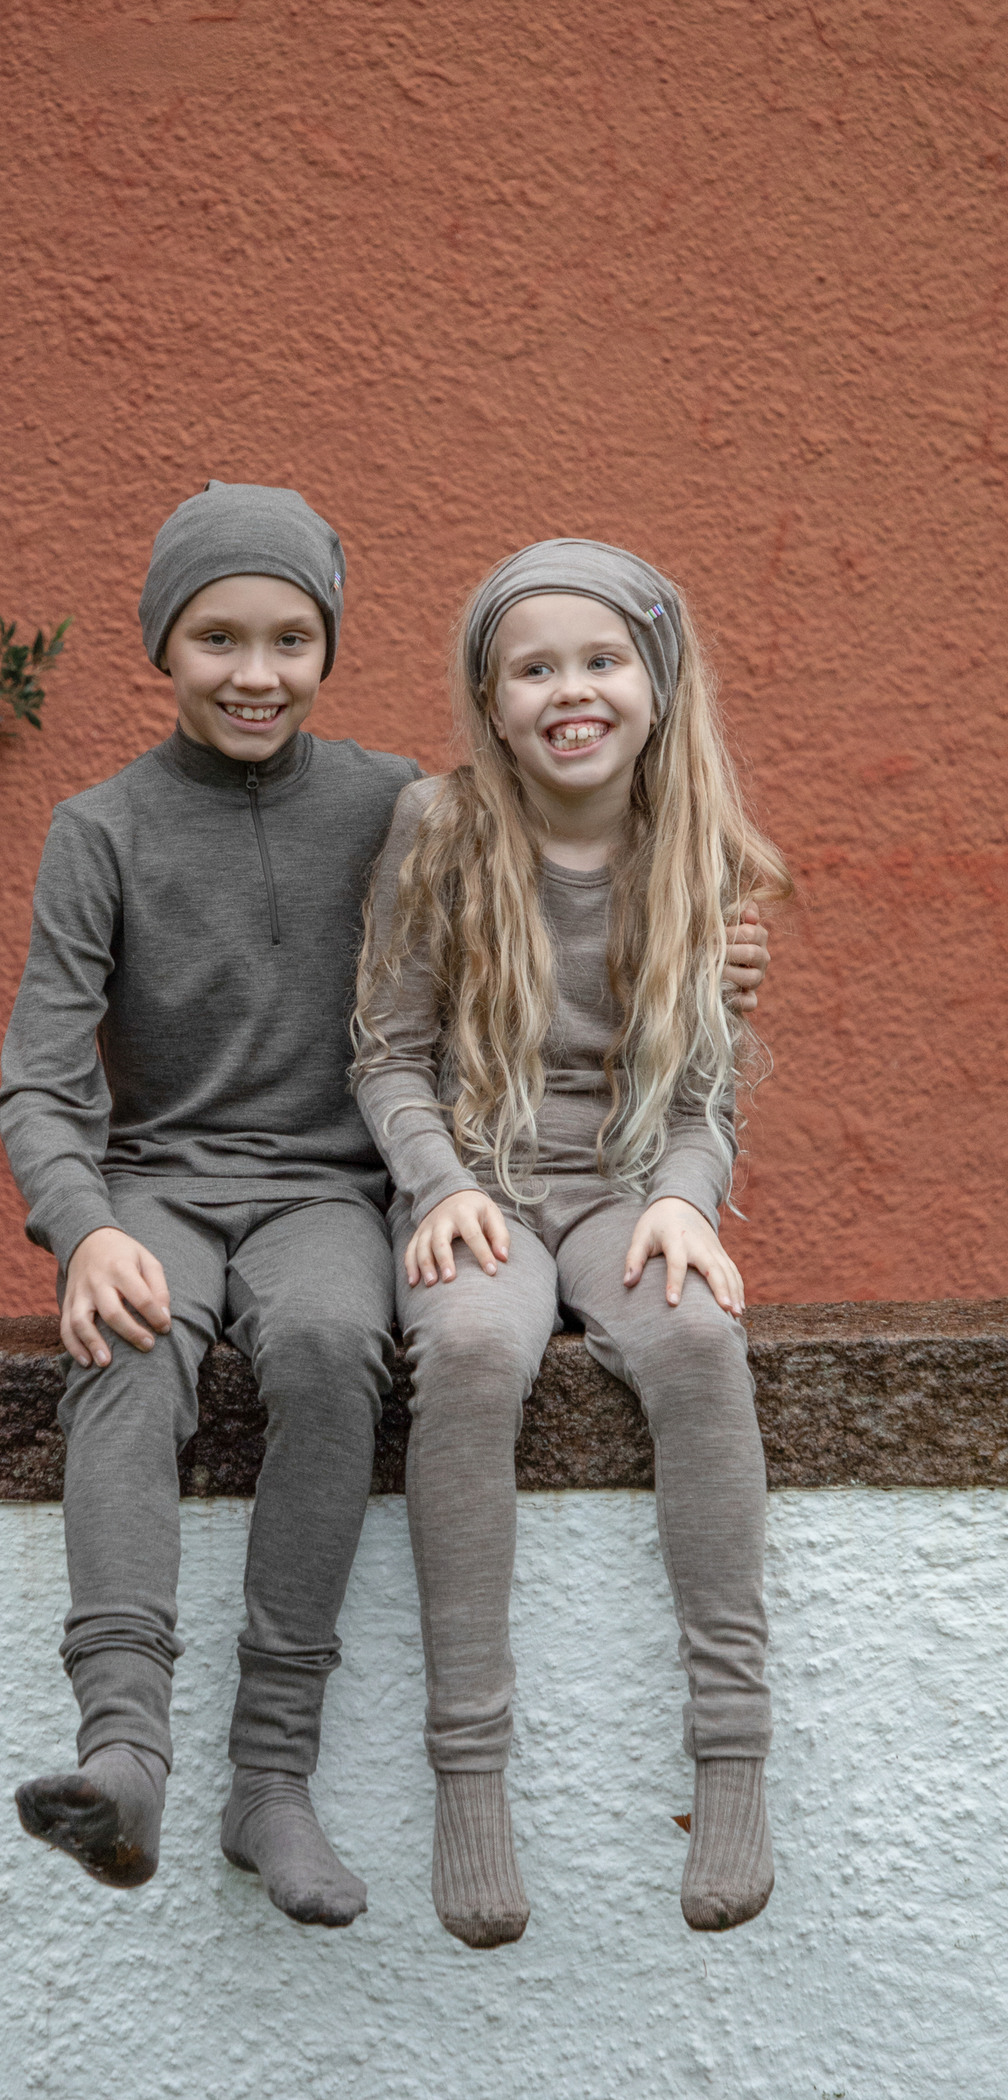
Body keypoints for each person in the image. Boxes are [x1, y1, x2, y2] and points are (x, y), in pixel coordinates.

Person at [0, 490, 772, 1932]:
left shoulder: (390, 802)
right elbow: (42, 1080)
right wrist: (82, 1224)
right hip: (163, 1186)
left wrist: (710, 957)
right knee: (127, 1344)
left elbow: (566, 882)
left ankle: (270, 1778)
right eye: (218, 637)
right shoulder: (99, 831)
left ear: (330, 647)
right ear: (162, 642)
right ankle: (125, 1752)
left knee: (333, 1347)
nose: (256, 672)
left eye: (291, 639)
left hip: (332, 1191)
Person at [352, 538, 791, 1950]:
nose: (571, 691)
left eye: (601, 661)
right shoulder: (439, 827)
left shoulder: (693, 846)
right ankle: (469, 1778)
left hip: (624, 1187)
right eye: (533, 668)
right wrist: (435, 1186)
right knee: (475, 1351)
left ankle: (732, 1757)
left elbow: (706, 1087)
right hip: (479, 1184)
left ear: (655, 683)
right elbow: (387, 1052)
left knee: (698, 1340)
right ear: (491, 700)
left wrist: (688, 1196)